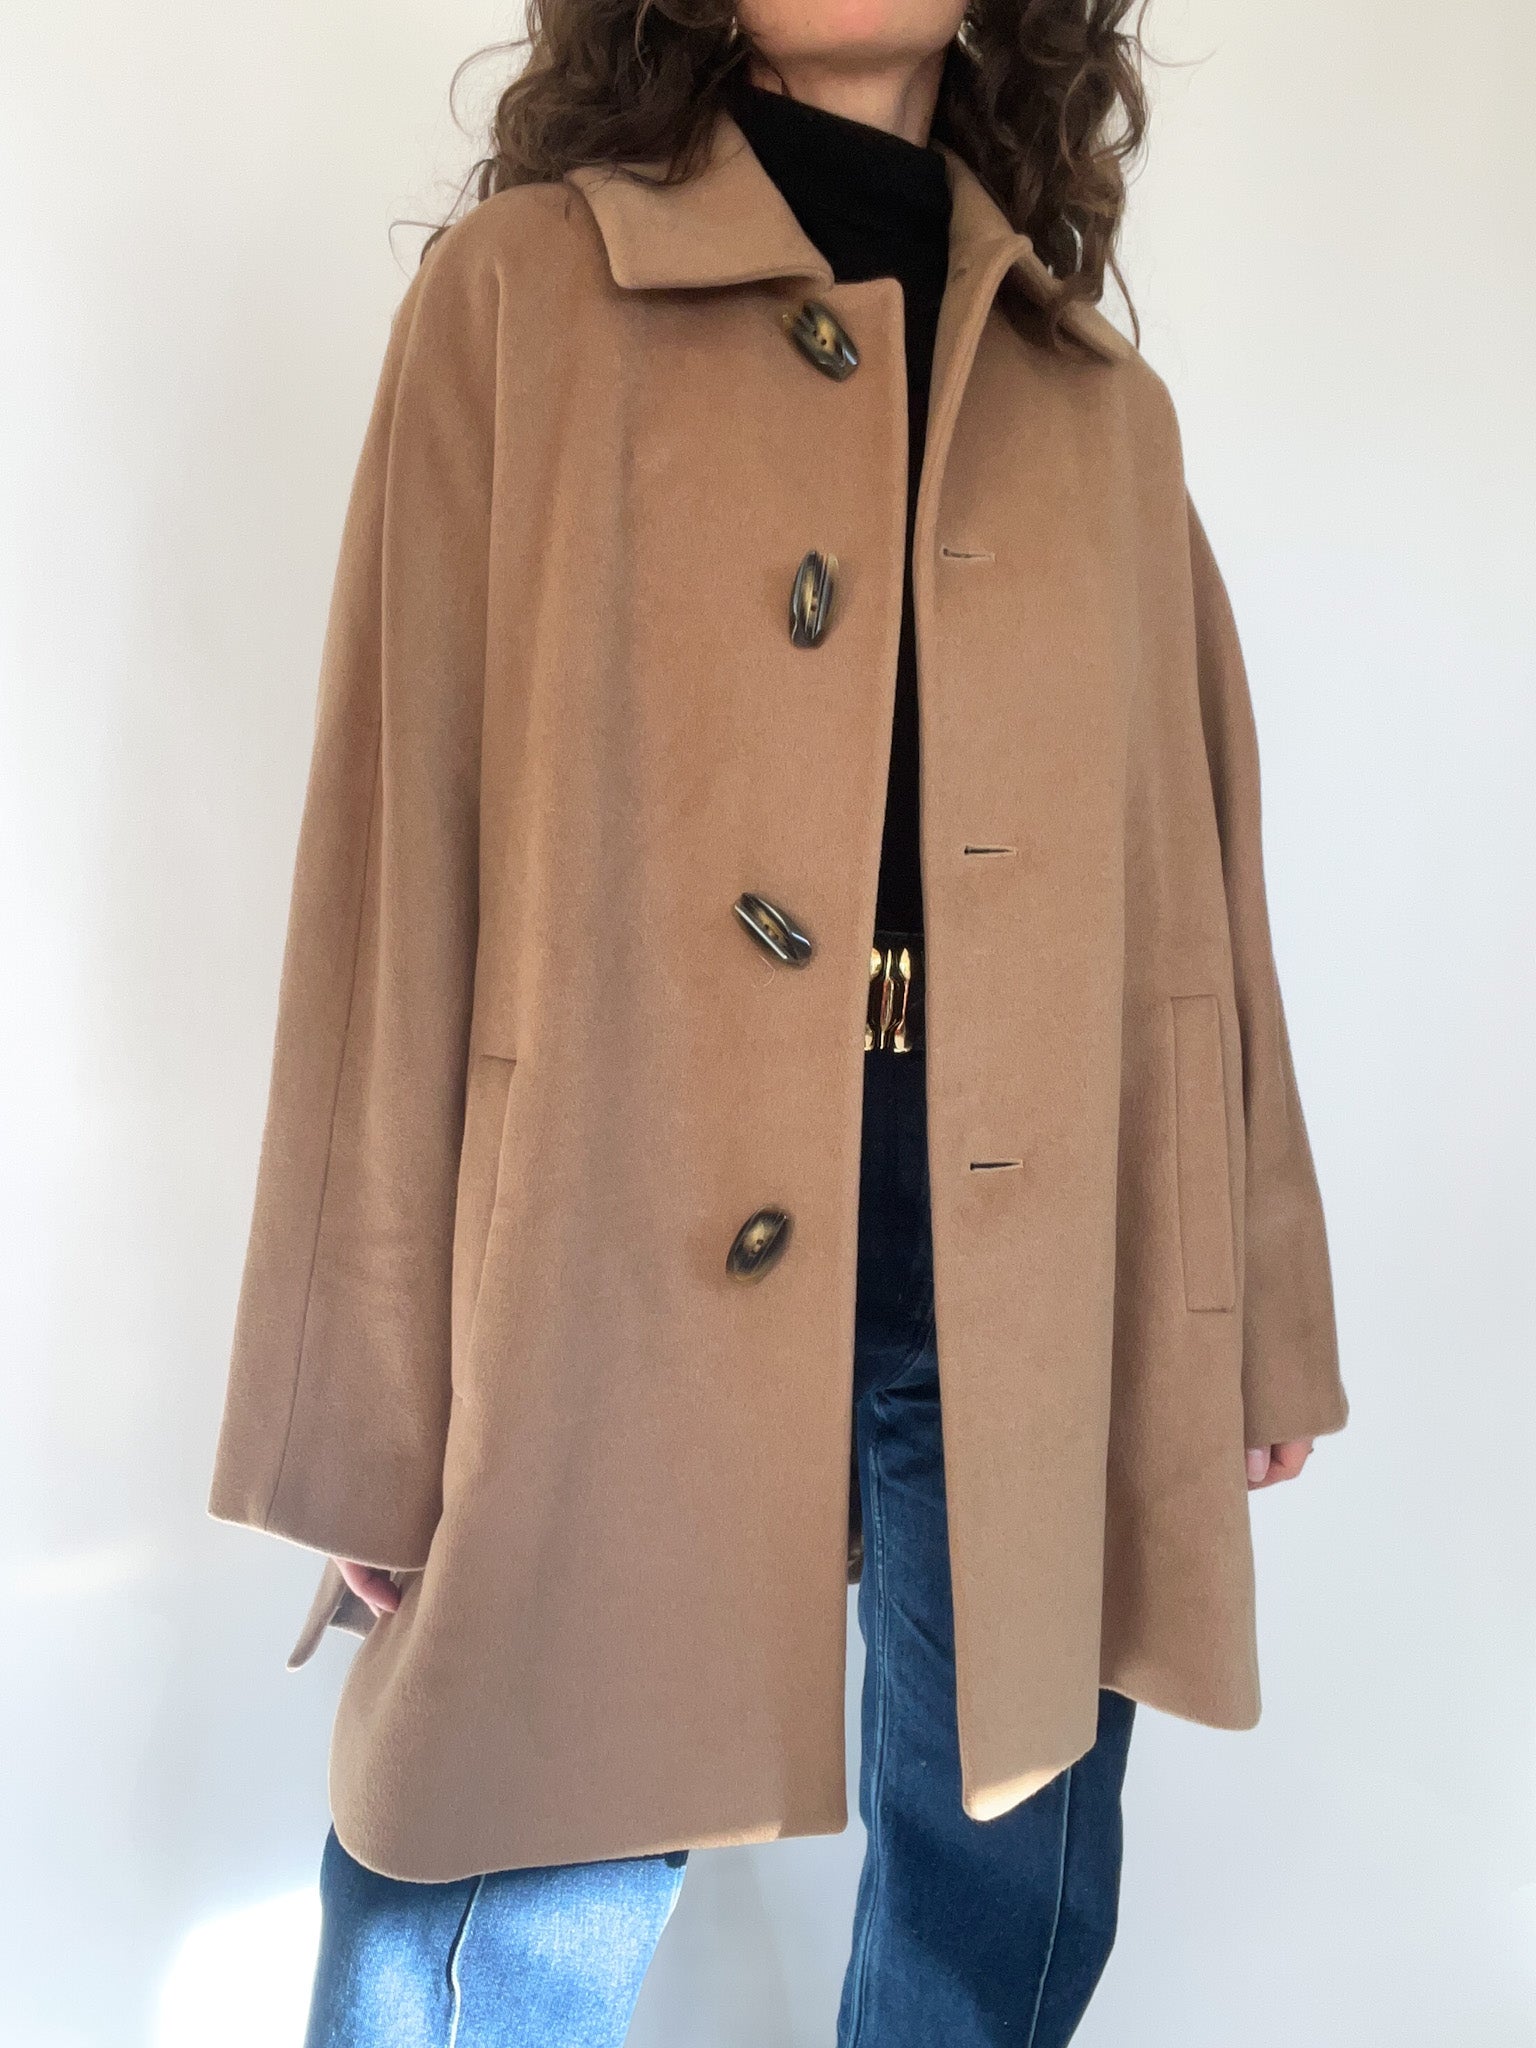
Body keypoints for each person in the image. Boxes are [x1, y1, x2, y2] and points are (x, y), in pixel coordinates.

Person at [208, 0, 1350, 2041]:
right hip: (605, 1218)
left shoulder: (1097, 404)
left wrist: (1250, 1304)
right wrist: (363, 1408)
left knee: (1008, 1886)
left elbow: (1196, 885)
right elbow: (395, 854)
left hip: (1022, 1230)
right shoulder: (523, 299)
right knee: (485, 1891)